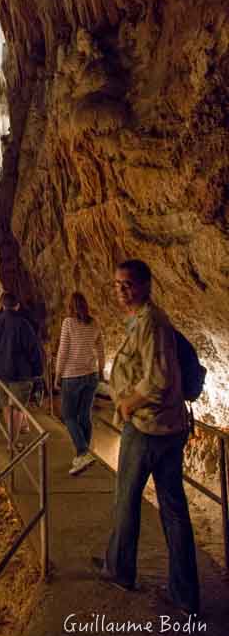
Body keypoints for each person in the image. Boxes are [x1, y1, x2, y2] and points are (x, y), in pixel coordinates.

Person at [93, 259, 199, 616]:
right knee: (173, 509)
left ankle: (121, 570)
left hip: (148, 427)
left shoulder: (151, 323)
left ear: (145, 285)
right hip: (167, 428)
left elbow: (158, 380)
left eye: (128, 284)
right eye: (117, 283)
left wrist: (125, 405)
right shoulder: (141, 320)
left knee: (127, 500)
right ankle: (184, 593)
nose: (121, 289)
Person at [0, 292, 43, 445]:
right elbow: (34, 350)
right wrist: (38, 372)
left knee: (7, 406)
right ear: (17, 306)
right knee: (17, 407)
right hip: (20, 374)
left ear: (2, 305)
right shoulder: (23, 324)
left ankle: (17, 431)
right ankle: (12, 443)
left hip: (0, 373)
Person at [55, 292, 104, 475]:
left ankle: (83, 452)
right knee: (84, 416)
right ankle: (83, 455)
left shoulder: (68, 323)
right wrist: (100, 369)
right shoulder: (94, 323)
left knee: (68, 416)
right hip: (91, 375)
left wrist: (58, 374)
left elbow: (63, 350)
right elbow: (100, 348)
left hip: (72, 376)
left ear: (70, 307)